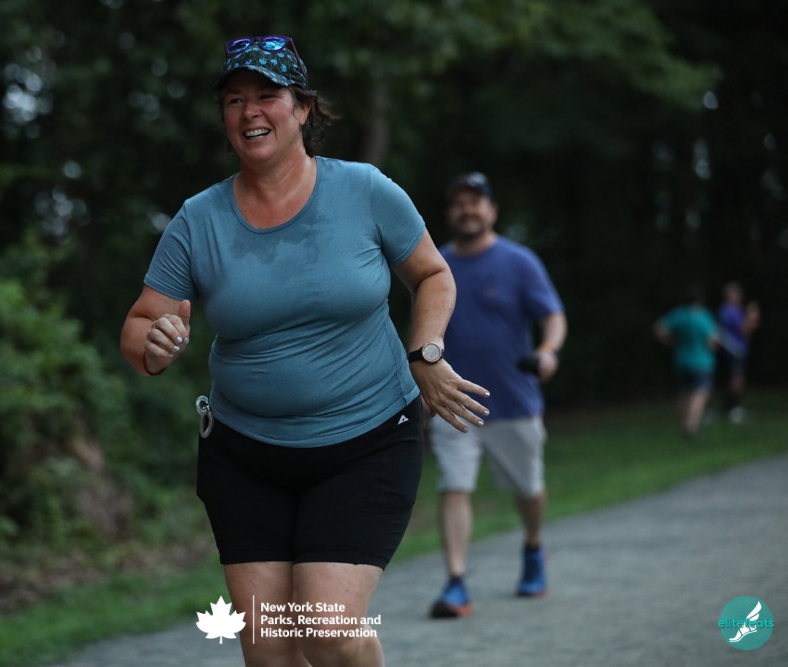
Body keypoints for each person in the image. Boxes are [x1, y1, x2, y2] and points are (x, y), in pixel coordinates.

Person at [120, 36, 489, 667]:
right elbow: (140, 326)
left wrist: (425, 353)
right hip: (246, 454)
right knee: (269, 648)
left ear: (303, 108)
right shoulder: (198, 220)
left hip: (367, 440)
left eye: (267, 95)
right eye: (234, 100)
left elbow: (432, 274)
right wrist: (153, 343)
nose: (249, 111)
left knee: (327, 629)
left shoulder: (365, 190)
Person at [427, 173, 567, 619]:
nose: (467, 210)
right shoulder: (434, 267)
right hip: (454, 402)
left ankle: (533, 548)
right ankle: (455, 582)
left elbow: (553, 315)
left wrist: (548, 350)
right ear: (449, 213)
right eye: (458, 203)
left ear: (492, 211)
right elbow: (422, 332)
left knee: (529, 488)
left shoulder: (519, 262)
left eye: (476, 202)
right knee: (454, 486)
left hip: (513, 401)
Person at [653, 285, 720, 438]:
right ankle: (691, 425)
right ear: (700, 300)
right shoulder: (703, 316)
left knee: (684, 392)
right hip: (702, 361)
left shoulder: (678, 314)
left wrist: (670, 341)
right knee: (700, 393)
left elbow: (658, 329)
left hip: (681, 360)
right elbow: (713, 341)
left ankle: (683, 422)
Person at [715, 282, 760, 423]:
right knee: (736, 381)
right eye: (736, 294)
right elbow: (744, 330)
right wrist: (751, 315)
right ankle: (734, 409)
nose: (739, 297)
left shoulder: (737, 311)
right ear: (729, 296)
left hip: (739, 350)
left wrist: (751, 319)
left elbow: (748, 330)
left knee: (735, 380)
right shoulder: (728, 311)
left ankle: (727, 409)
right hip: (733, 351)